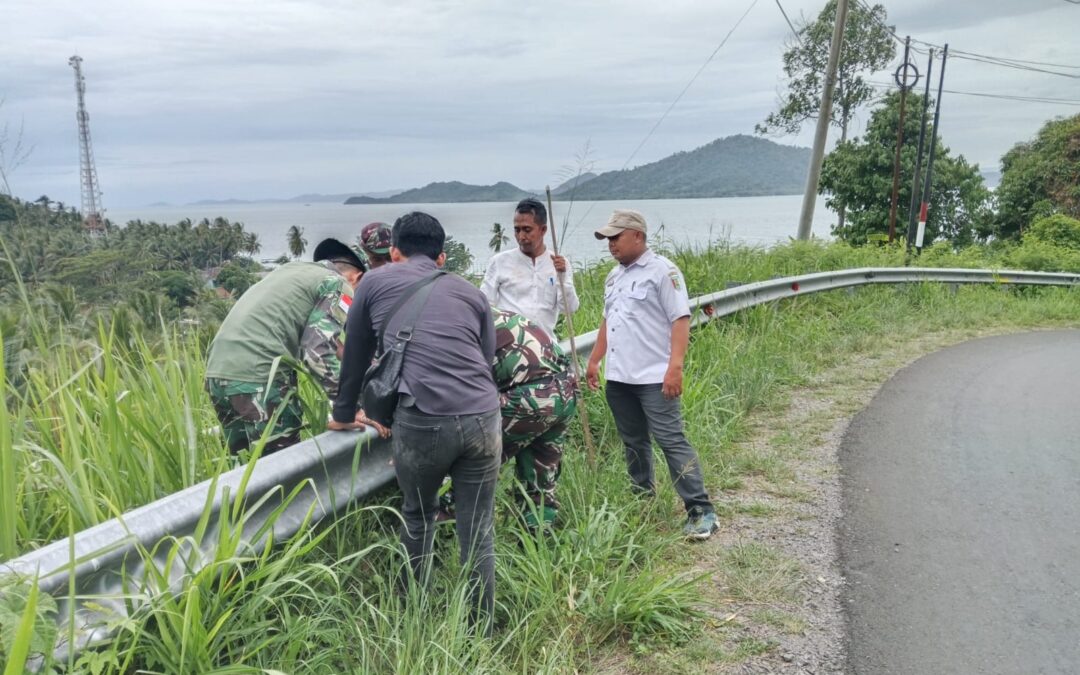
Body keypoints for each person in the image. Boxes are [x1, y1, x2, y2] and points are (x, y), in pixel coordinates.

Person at [330, 211, 501, 625]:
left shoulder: (373, 281)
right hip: (483, 415)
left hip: (424, 418)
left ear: (394, 251)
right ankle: (483, 628)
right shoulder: (472, 293)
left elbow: (354, 358)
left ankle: (416, 620)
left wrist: (342, 412)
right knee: (477, 527)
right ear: (441, 257)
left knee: (419, 515)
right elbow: (486, 359)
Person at [585, 210, 720, 540]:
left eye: (616, 238)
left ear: (637, 236)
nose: (611, 245)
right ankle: (642, 500)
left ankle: (701, 510)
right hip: (620, 378)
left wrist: (675, 367)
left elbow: (680, 319)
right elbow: (608, 321)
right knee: (633, 442)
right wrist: (595, 360)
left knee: (670, 440)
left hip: (653, 377)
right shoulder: (613, 277)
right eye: (608, 239)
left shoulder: (663, 271)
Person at [205, 238, 366, 455]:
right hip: (261, 378)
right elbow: (316, 351)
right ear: (358, 277)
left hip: (217, 374)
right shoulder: (339, 283)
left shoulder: (292, 271)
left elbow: (327, 342)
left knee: (244, 468)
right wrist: (349, 409)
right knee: (282, 472)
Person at [440, 308, 577, 530]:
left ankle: (445, 531)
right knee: (540, 472)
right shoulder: (487, 312)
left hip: (530, 397)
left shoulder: (454, 324)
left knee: (467, 461)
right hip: (565, 389)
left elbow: (460, 386)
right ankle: (539, 537)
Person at [481, 197, 579, 337]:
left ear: (543, 230)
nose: (521, 236)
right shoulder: (499, 262)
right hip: (510, 348)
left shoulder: (558, 264)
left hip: (546, 347)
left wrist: (562, 276)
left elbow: (569, 309)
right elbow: (485, 305)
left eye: (527, 230)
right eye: (517, 230)